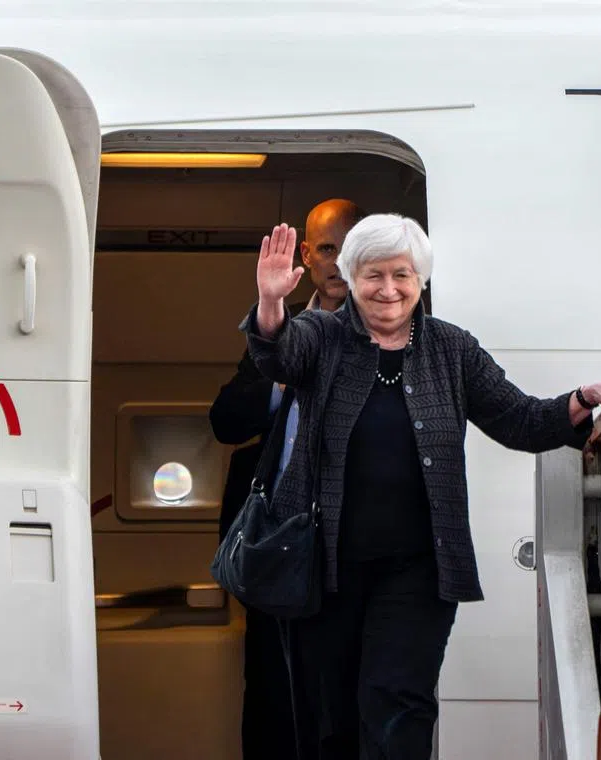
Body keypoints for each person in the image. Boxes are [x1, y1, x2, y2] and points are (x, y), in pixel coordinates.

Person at [239, 215, 601, 759]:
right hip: (322, 570)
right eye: (374, 274)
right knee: (331, 719)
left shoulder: (451, 349)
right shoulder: (322, 337)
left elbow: (521, 420)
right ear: (350, 276)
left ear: (422, 279)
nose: (389, 289)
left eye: (403, 274)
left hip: (418, 571)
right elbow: (276, 353)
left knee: (399, 705)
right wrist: (272, 303)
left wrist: (582, 397)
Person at [210, 199, 364, 759]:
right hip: (278, 546)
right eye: (327, 248)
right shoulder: (279, 327)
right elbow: (224, 420)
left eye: (352, 249)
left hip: (354, 548)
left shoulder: (396, 329)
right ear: (306, 255)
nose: (340, 262)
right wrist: (283, 376)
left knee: (345, 697)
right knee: (273, 696)